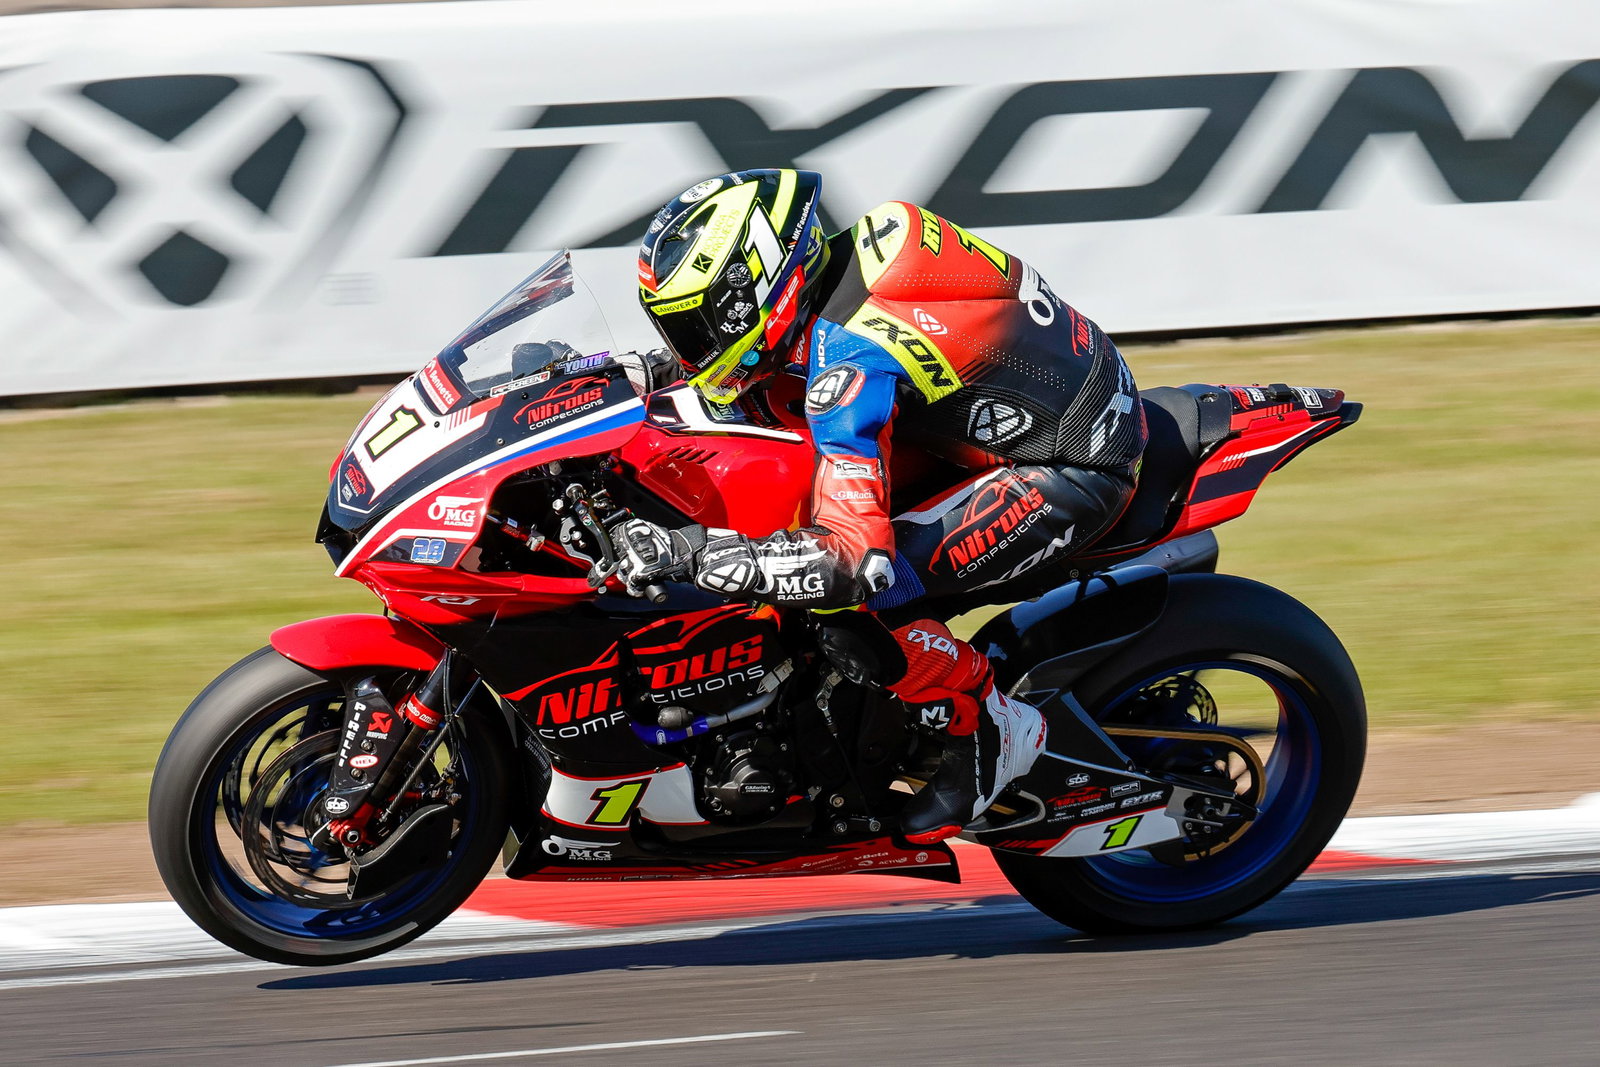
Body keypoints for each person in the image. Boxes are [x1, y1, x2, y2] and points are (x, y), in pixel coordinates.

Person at [615, 169, 1146, 844]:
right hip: (1012, 415)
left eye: (694, 328)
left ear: (751, 294)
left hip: (1067, 467)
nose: (684, 351)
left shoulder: (851, 362)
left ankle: (986, 727)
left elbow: (849, 558)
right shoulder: (855, 252)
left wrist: (699, 553)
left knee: (857, 601)